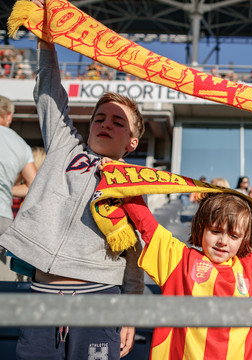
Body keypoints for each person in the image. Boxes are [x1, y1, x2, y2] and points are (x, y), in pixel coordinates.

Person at [0, 3, 145, 357]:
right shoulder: (66, 148)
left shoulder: (136, 183)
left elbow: (134, 256)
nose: (105, 123)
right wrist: (45, 39)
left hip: (100, 300)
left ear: (132, 142)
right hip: (43, 296)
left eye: (117, 121)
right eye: (100, 117)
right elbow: (49, 92)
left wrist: (130, 313)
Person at [122, 192, 252, 359]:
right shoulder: (178, 260)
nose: (223, 241)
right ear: (201, 228)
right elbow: (147, 225)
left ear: (244, 239)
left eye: (234, 236)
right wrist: (122, 182)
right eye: (215, 231)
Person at [0, 95, 37, 281]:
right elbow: (33, 186)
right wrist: (6, 188)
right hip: (2, 217)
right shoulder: (21, 145)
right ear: (8, 116)